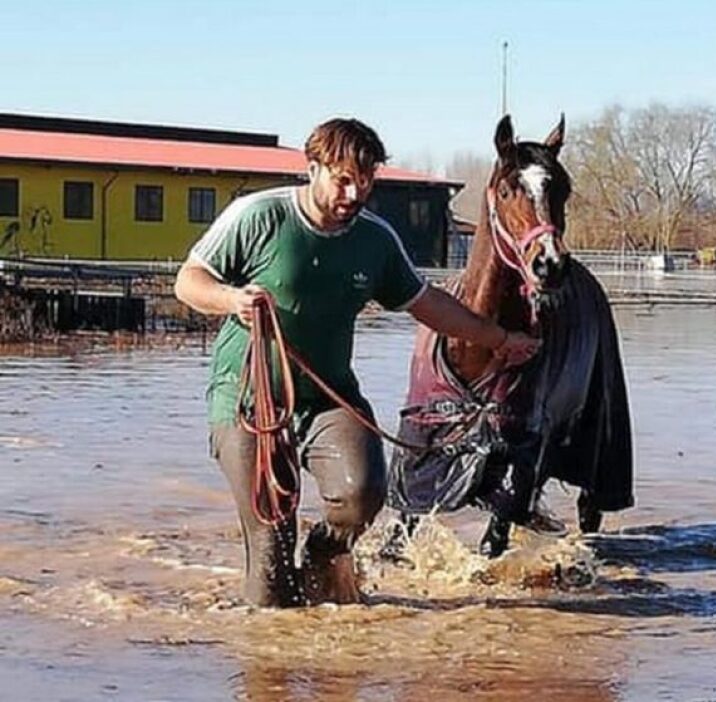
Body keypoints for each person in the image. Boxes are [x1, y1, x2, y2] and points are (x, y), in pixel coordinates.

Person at [174, 118, 540, 608]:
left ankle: (324, 559)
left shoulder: (375, 239)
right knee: (271, 543)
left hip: (329, 397)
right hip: (248, 401)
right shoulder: (258, 216)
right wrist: (231, 299)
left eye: (365, 181)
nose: (354, 193)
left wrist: (499, 339)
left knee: (362, 492)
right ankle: (270, 646)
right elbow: (188, 281)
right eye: (343, 179)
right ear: (313, 169)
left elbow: (428, 303)